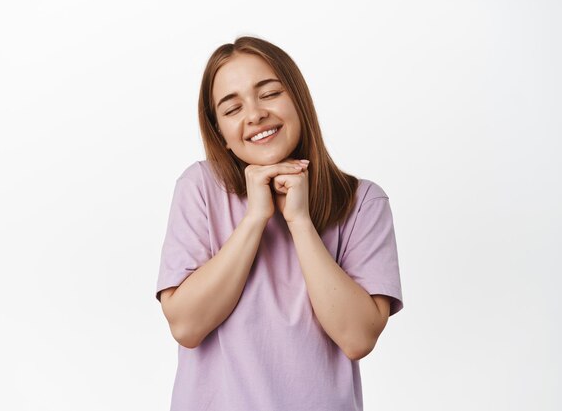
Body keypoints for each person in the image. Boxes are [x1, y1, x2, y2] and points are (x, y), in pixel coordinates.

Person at [155, 36, 404, 411]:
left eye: (269, 93)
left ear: (299, 101)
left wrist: (300, 222)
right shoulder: (200, 187)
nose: (254, 114)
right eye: (232, 107)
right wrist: (256, 217)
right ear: (220, 134)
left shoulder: (363, 202)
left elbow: (357, 338)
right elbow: (186, 327)